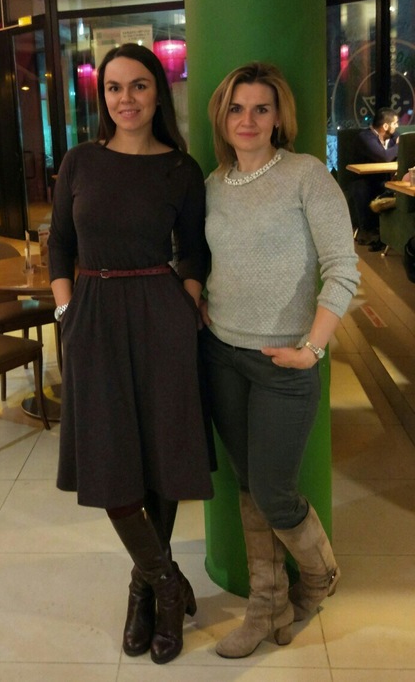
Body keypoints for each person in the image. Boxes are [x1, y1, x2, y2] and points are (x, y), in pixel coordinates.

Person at [48, 42, 213, 665]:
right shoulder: (80, 161)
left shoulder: (181, 169)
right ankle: (164, 582)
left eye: (138, 85)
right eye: (114, 87)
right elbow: (60, 243)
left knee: (162, 453)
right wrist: (67, 309)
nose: (126, 98)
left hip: (160, 314)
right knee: (110, 456)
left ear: (157, 93)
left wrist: (185, 302)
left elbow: (193, 251)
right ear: (103, 97)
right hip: (93, 314)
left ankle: (144, 594)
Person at [200, 62, 360, 659]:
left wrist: (312, 349)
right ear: (223, 117)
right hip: (222, 356)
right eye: (236, 108)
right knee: (248, 485)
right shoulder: (213, 184)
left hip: (285, 365)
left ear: (278, 117)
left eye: (260, 108)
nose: (247, 119)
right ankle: (266, 605)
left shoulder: (306, 175)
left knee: (274, 492)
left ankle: (318, 578)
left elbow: (343, 268)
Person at [352, 107, 399, 250]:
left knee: (394, 188)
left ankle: (388, 233)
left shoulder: (392, 137)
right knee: (361, 188)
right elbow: (384, 157)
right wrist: (400, 145)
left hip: (385, 180)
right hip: (365, 180)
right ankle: (367, 232)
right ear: (385, 126)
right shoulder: (365, 138)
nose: (397, 126)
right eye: (395, 123)